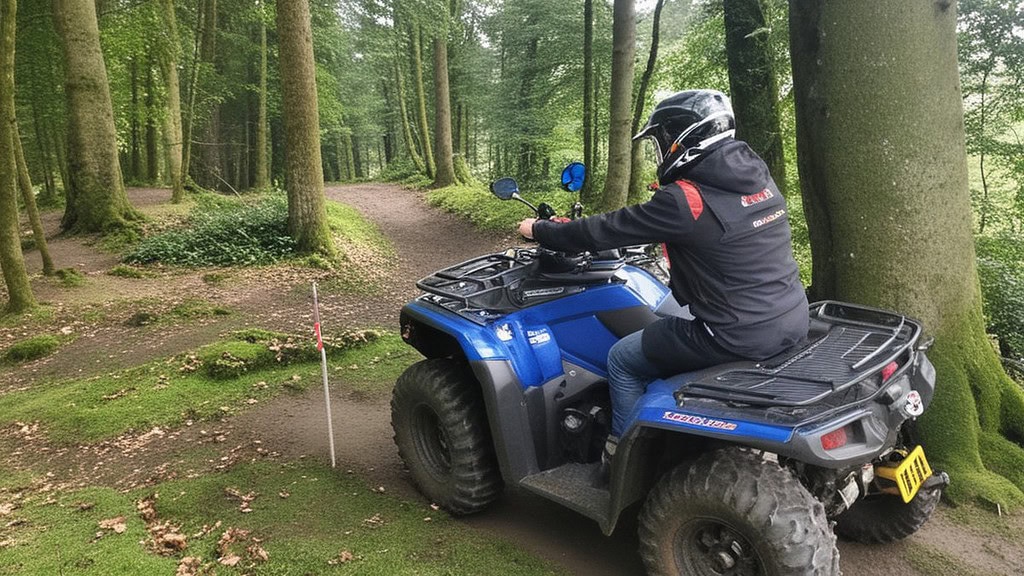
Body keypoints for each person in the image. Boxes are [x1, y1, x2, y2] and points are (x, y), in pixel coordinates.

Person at [517, 89, 808, 470]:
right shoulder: (756, 175)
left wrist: (540, 230)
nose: (662, 150)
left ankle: (620, 456)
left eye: (663, 140)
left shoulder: (687, 199)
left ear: (682, 138)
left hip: (734, 334)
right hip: (791, 316)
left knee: (621, 359)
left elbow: (605, 230)